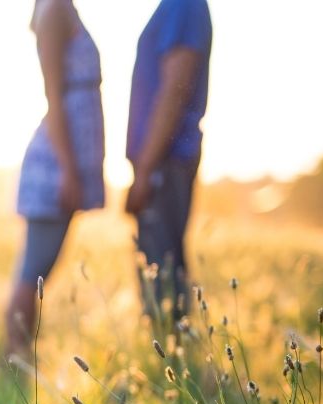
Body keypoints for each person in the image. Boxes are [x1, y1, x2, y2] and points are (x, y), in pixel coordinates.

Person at [8, 0, 106, 361]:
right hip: (57, 163)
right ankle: (13, 356)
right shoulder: (54, 11)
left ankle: (17, 355)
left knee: (37, 268)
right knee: (34, 269)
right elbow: (54, 93)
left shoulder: (62, 8)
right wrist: (68, 169)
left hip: (66, 160)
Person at [125, 0, 212, 324]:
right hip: (162, 159)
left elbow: (175, 87)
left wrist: (146, 170)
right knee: (160, 265)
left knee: (162, 267)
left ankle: (172, 357)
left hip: (166, 160)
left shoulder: (184, 5)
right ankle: (168, 351)